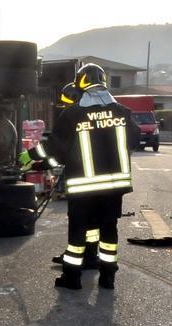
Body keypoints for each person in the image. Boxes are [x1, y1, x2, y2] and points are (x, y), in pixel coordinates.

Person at [47, 63, 139, 290]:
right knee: (109, 230)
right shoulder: (123, 112)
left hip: (82, 188)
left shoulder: (73, 114)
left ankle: (72, 278)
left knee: (78, 232)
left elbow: (56, 149)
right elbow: (135, 140)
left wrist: (34, 159)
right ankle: (108, 278)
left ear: (80, 83)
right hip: (113, 187)